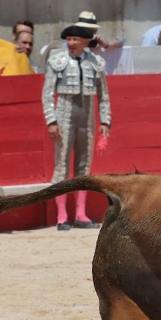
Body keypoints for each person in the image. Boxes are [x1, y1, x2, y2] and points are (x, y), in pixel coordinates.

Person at [41, 20, 111, 230]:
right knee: (61, 165)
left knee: (84, 168)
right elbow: (47, 94)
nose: (71, 43)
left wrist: (105, 121)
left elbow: (104, 96)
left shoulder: (96, 62)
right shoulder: (57, 60)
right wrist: (51, 121)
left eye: (75, 39)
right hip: (64, 117)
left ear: (85, 41)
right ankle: (62, 216)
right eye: (69, 39)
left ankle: (81, 214)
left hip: (87, 119)